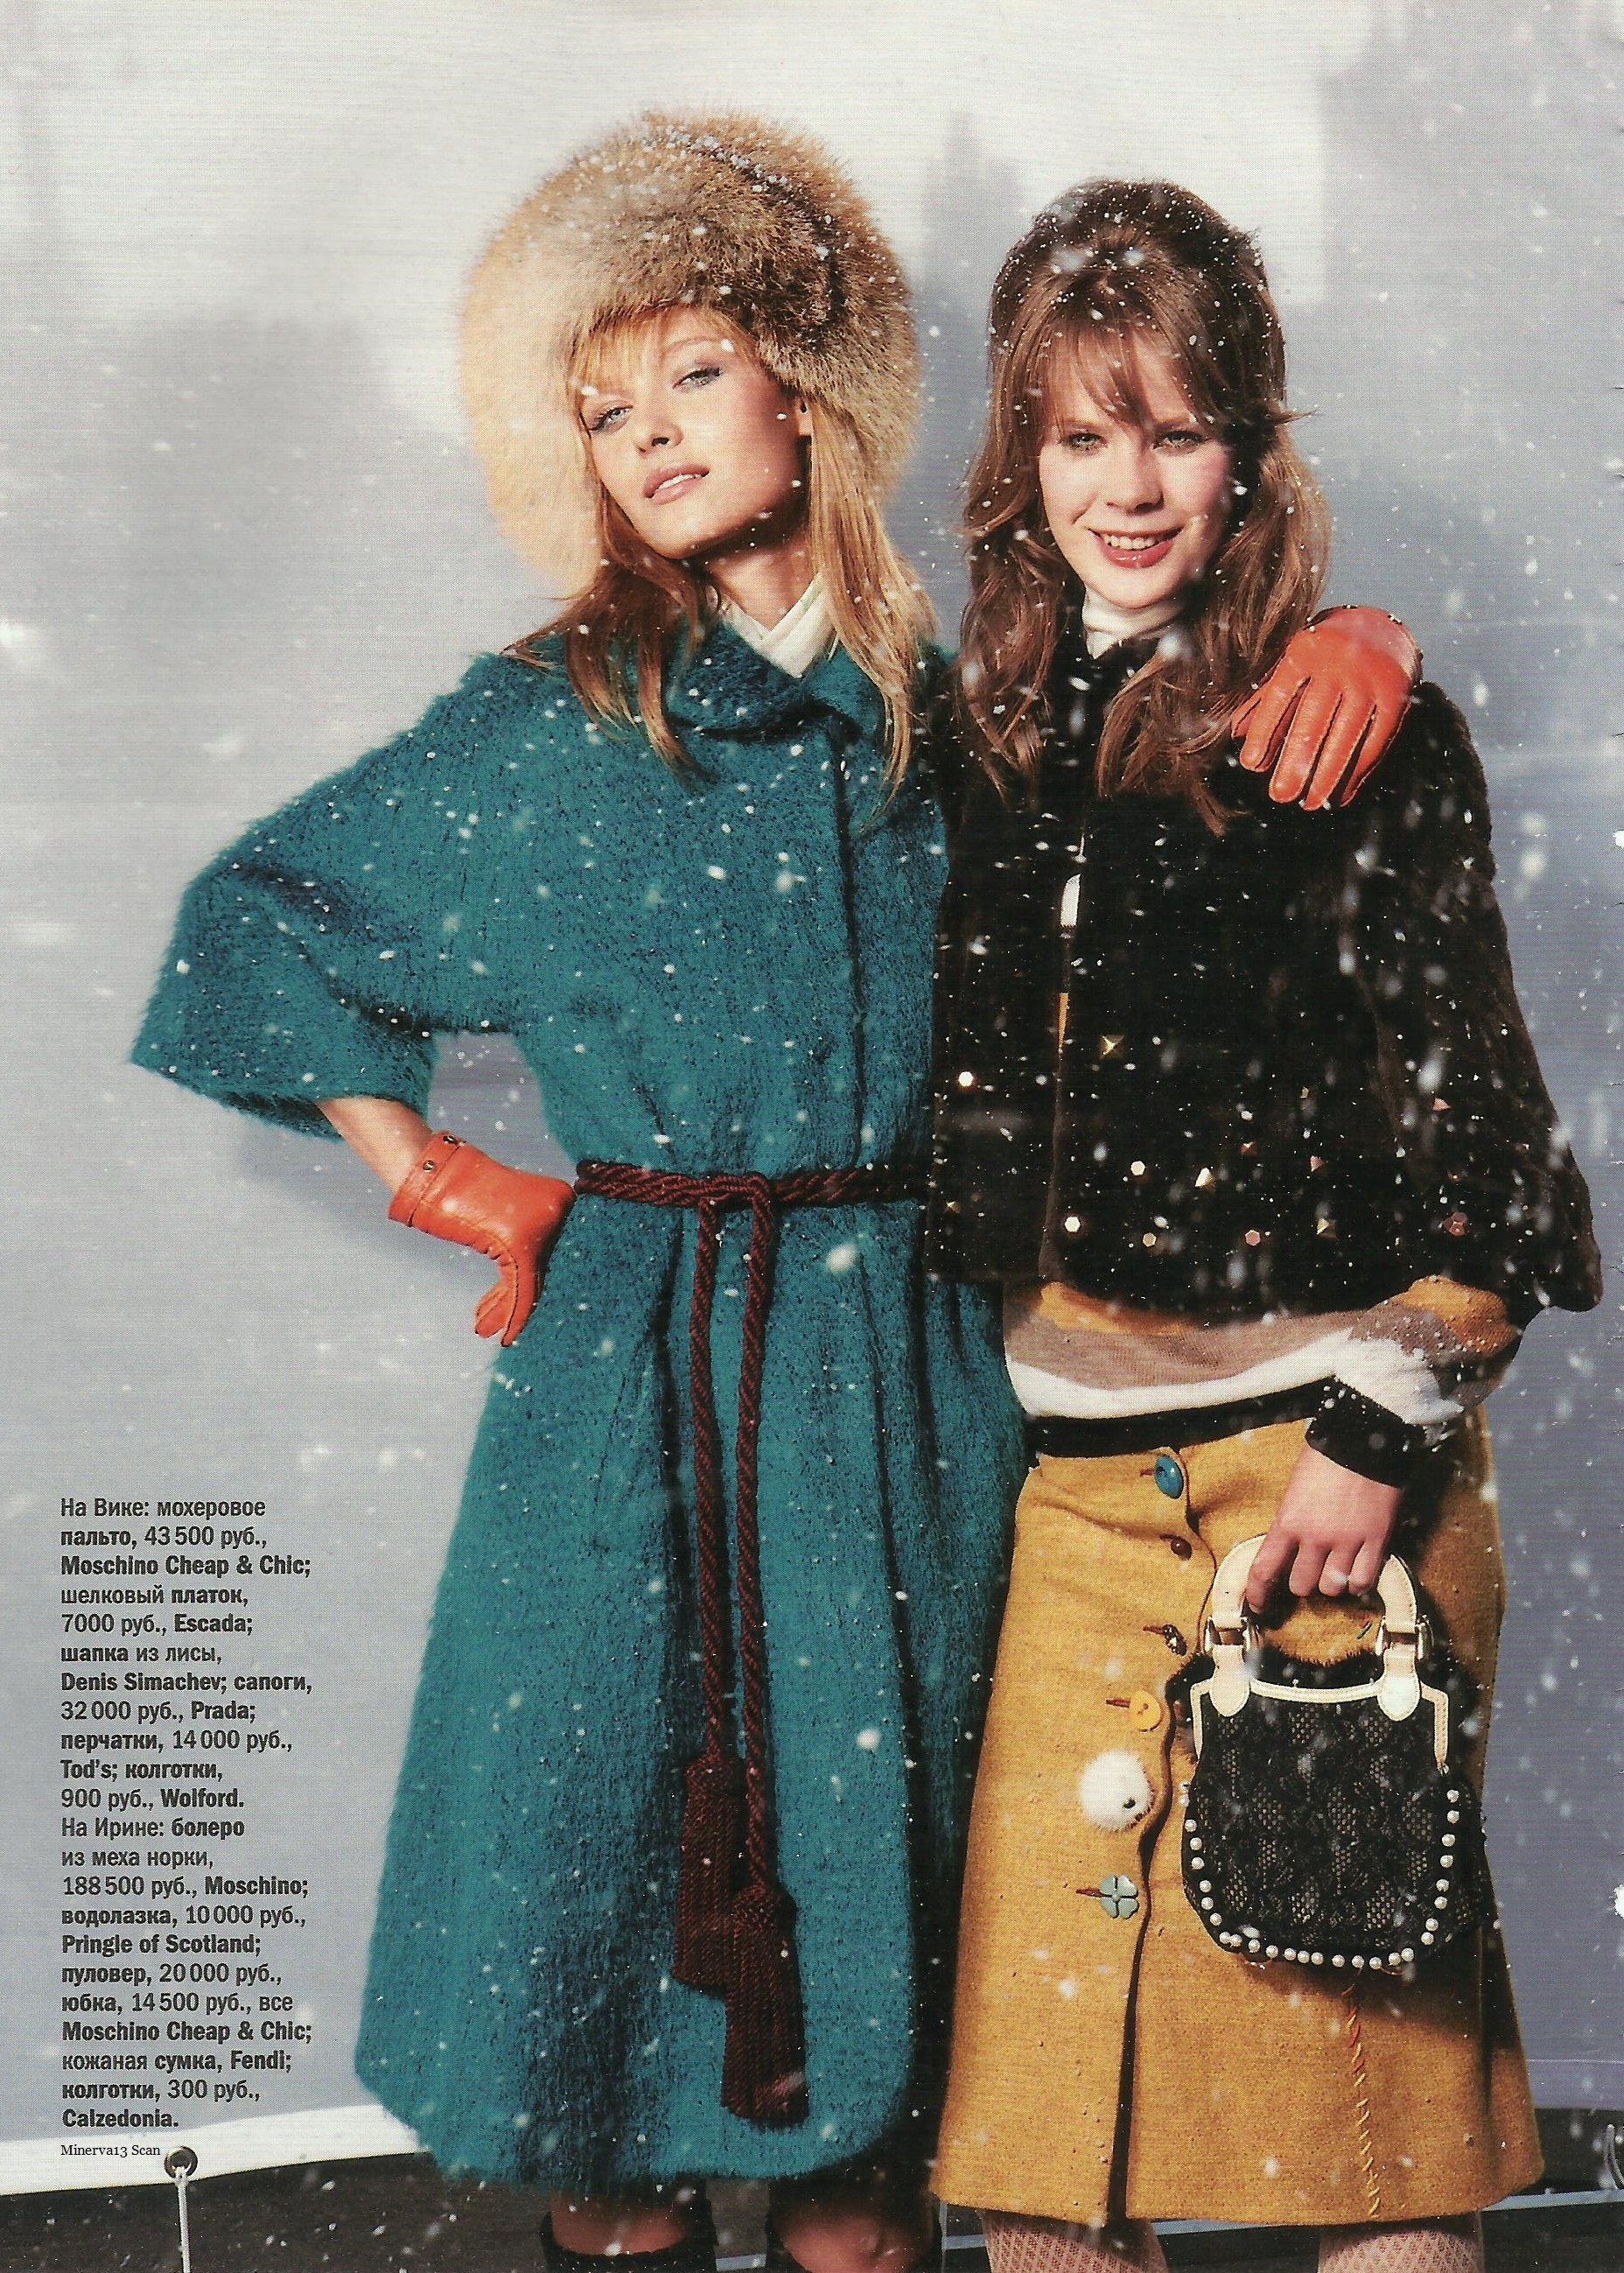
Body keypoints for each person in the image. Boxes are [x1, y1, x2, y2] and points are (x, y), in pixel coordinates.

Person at [132, 122, 1419, 2273]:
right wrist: (444, 1178)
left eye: (692, 376)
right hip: (628, 1396)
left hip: (916, 1380)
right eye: (601, 410)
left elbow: (1181, 739)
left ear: (806, 391)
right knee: (605, 2037)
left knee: (884, 2088)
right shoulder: (543, 727)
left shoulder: (972, 711)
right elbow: (256, 922)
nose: (646, 436)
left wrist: (1353, 630)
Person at [925, 181, 1600, 2273]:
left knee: (1362, 2135)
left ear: (1246, 453)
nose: (1128, 489)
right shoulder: (980, 735)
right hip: (1071, 1500)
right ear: (1020, 460)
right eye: (1080, 435)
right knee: (1041, 2152)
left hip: (1321, 1483)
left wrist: (1375, 1438)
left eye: (1176, 431)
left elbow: (1494, 1160)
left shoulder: (1351, 730)